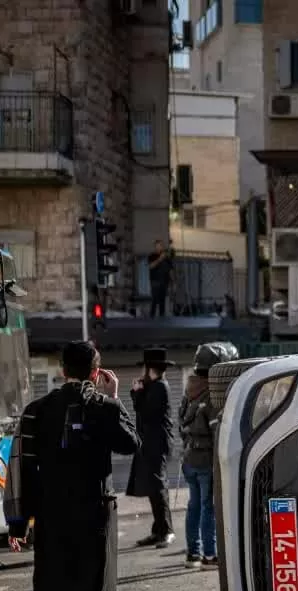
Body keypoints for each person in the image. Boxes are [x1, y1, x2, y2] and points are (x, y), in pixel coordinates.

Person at [4, 341, 140, 591]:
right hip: (94, 513)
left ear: (62, 370)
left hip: (51, 515)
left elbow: (21, 467)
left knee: (51, 582)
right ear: (96, 373)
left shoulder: (36, 411)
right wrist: (116, 399)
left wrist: (19, 523)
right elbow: (132, 444)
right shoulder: (104, 407)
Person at [179, 344, 231, 569]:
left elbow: (181, 424)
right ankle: (209, 556)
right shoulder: (211, 394)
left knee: (194, 505)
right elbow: (217, 433)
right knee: (208, 506)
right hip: (206, 460)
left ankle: (192, 554)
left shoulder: (188, 390)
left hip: (189, 458)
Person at [128, 347, 176, 548]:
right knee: (152, 486)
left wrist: (137, 393)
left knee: (157, 486)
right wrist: (137, 392)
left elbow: (146, 412)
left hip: (157, 443)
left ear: (150, 369)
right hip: (149, 443)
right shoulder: (153, 386)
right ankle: (158, 530)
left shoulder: (160, 387)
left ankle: (166, 531)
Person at [147, 240, 174, 318]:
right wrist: (160, 259)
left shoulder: (167, 258)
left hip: (164, 282)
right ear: (155, 247)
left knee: (162, 301)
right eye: (157, 246)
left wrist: (173, 282)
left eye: (160, 245)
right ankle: (152, 318)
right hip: (155, 281)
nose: (159, 247)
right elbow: (150, 266)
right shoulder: (152, 256)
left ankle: (162, 319)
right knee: (154, 300)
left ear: (162, 247)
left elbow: (170, 270)